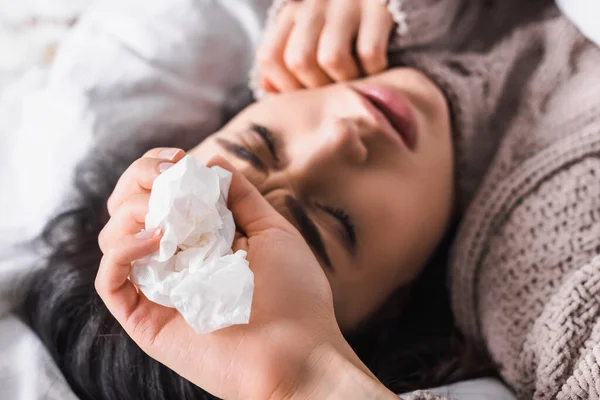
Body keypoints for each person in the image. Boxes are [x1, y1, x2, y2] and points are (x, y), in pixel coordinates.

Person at [22, 0, 600, 399]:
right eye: (335, 222)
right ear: (389, 309)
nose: (342, 137)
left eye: (260, 144)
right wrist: (306, 379)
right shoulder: (539, 282)